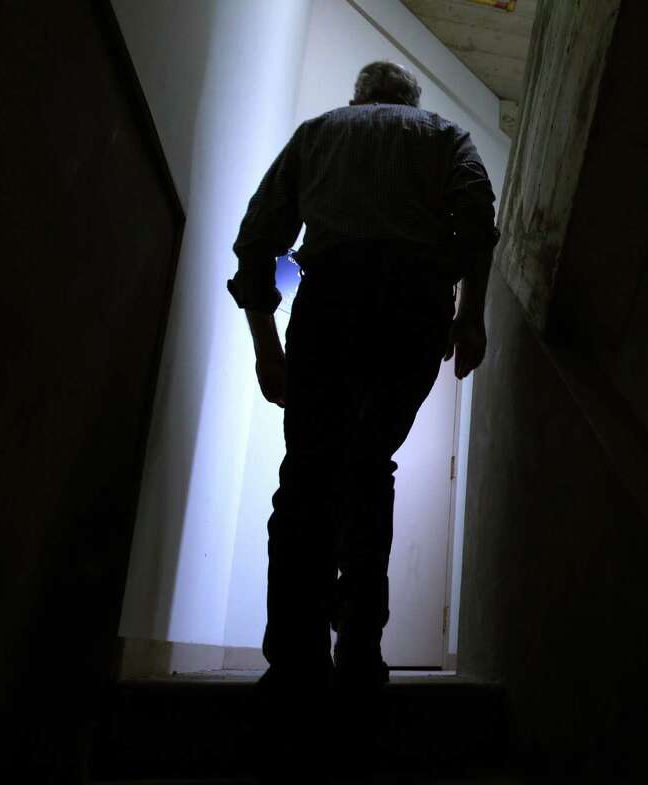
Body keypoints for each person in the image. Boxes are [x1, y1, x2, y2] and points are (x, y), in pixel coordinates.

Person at [227, 61, 497, 778]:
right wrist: (471, 318)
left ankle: (296, 661)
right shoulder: (445, 134)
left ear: (358, 98)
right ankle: (359, 653)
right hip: (413, 304)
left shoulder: (321, 132)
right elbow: (476, 225)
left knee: (307, 477)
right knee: (369, 465)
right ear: (411, 100)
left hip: (334, 297)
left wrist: (267, 346)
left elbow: (258, 239)